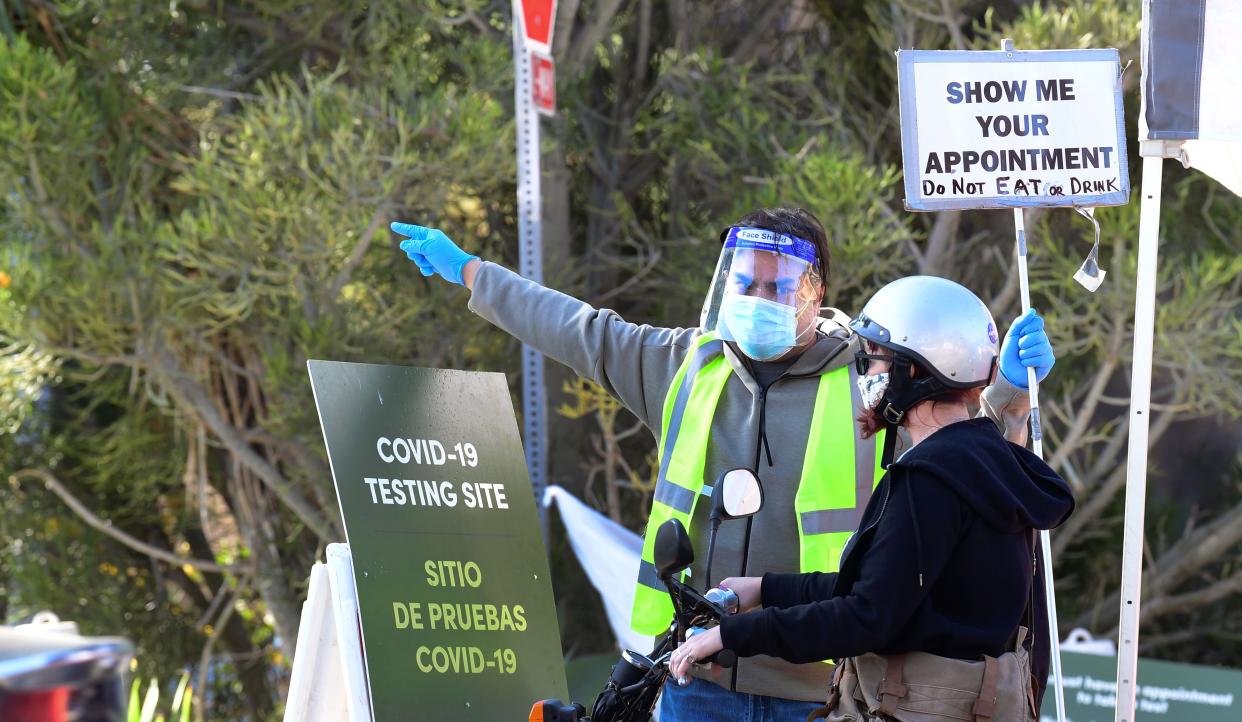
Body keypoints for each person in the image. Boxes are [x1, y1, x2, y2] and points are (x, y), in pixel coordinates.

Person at [391, 210, 1056, 721]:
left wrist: (1008, 397)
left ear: (814, 289)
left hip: (821, 688)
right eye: (742, 279)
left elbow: (958, 451)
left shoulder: (870, 375)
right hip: (697, 682)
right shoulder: (687, 363)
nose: (752, 294)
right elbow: (576, 329)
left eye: (772, 283)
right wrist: (472, 272)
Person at [668, 275, 1075, 721]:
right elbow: (886, 586)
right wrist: (766, 589)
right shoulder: (984, 462)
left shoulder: (931, 480)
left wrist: (732, 635)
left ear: (914, 370)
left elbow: (866, 618)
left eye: (876, 359)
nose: (866, 372)